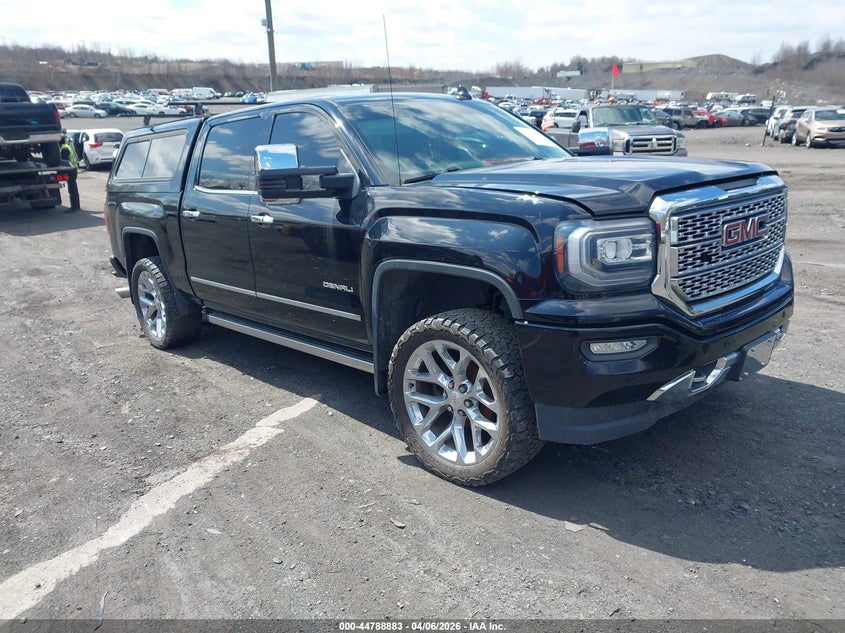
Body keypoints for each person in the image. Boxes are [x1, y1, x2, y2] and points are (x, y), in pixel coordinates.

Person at [59, 134, 80, 212]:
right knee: (74, 188)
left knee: (72, 189)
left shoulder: (64, 149)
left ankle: (74, 207)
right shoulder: (67, 146)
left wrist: (61, 172)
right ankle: (77, 206)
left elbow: (64, 162)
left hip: (70, 170)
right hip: (74, 169)